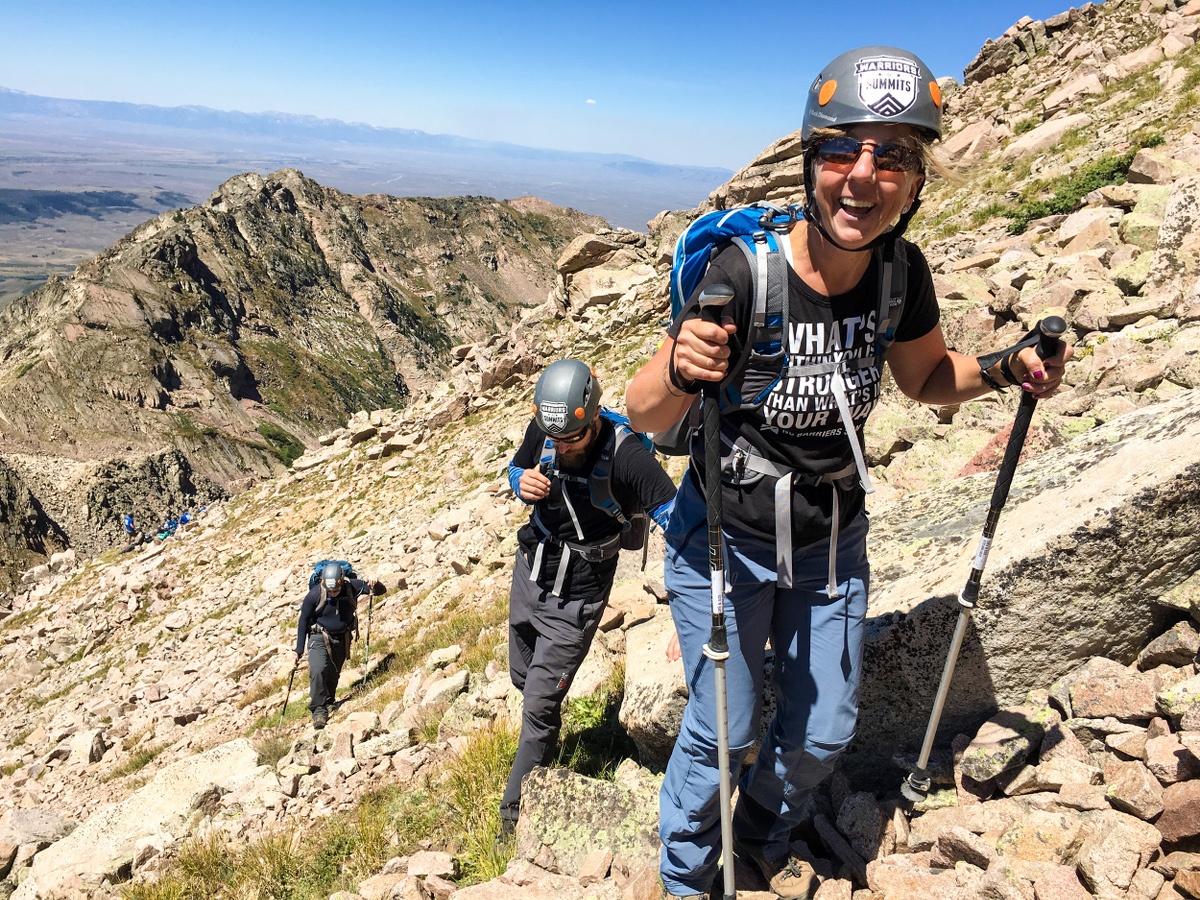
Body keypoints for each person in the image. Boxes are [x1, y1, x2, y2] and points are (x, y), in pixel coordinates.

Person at [625, 46, 1073, 900]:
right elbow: (646, 416)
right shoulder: (740, 275)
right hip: (725, 540)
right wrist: (682, 367)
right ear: (810, 161)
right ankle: (686, 877)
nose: (862, 177)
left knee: (824, 732)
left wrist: (1008, 367)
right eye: (842, 150)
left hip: (832, 541)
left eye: (893, 156)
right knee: (725, 722)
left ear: (915, 182)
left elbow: (926, 381)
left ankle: (756, 832)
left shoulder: (902, 277)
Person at [500, 359, 679, 836]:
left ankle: (514, 815)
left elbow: (680, 524)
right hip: (532, 569)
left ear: (594, 415)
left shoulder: (626, 457)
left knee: (537, 703)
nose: (559, 447)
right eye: (553, 438)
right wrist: (521, 481)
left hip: (579, 590)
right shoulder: (549, 427)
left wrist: (692, 604)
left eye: (570, 440)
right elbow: (517, 465)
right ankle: (543, 742)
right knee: (521, 675)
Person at [294, 561, 385, 729]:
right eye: (330, 590)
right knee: (319, 669)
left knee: (333, 672)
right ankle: (318, 710)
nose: (334, 593)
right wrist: (299, 649)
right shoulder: (314, 595)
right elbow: (303, 621)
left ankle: (329, 701)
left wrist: (374, 582)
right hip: (318, 636)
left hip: (343, 638)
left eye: (336, 589)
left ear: (342, 581)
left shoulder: (352, 587)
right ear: (323, 583)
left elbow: (379, 591)